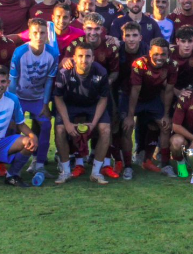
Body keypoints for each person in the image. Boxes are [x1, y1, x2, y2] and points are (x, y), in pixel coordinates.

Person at [62, 14, 121, 178]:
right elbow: (65, 63)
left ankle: (105, 164)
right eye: (89, 28)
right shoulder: (75, 44)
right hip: (79, 93)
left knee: (107, 127)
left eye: (96, 29)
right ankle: (79, 163)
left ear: (102, 30)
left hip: (102, 93)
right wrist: (65, 61)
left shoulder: (111, 47)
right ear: (83, 28)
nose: (93, 32)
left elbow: (115, 72)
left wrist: (105, 82)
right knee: (79, 124)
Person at [8, 17, 60, 186]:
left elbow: (49, 82)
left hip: (38, 98)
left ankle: (39, 164)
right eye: (35, 33)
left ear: (47, 34)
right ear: (29, 34)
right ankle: (10, 163)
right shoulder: (20, 52)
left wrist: (45, 104)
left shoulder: (52, 53)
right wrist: (13, 105)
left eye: (42, 33)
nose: (39, 36)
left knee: (46, 125)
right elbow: (13, 82)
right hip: (19, 98)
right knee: (13, 126)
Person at [53, 43, 113, 184]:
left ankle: (96, 172)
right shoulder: (64, 72)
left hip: (93, 104)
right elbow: (58, 97)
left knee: (105, 130)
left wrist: (93, 123)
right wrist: (67, 123)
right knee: (60, 130)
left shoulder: (101, 72)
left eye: (87, 56)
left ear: (93, 58)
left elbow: (104, 98)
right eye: (80, 56)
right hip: (70, 104)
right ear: (74, 57)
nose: (83, 60)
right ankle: (65, 171)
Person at [124, 37, 178, 174]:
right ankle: (128, 166)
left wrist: (166, 115)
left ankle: (165, 163)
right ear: (149, 52)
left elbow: (169, 90)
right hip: (133, 98)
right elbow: (135, 91)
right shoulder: (139, 64)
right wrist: (130, 116)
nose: (159, 57)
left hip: (153, 99)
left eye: (163, 54)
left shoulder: (172, 65)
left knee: (165, 125)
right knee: (127, 126)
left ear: (168, 54)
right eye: (156, 54)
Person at [112, 21, 148, 179]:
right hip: (122, 93)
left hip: (146, 93)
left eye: (135, 35)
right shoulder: (116, 49)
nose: (131, 39)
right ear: (122, 37)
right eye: (128, 35)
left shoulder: (147, 50)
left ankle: (146, 157)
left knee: (156, 123)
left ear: (140, 37)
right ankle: (124, 164)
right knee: (122, 127)